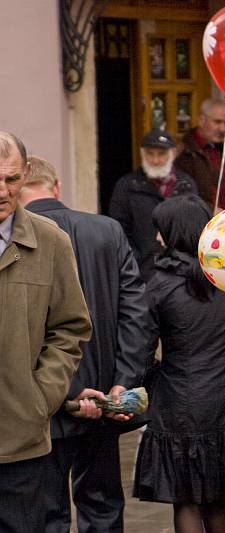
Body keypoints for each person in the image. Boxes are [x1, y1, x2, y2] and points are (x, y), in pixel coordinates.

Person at [20, 156, 149, 533]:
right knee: (103, 506)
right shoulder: (107, 231)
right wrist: (122, 383)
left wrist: (70, 395)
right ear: (56, 186)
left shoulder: (17, 237)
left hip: (42, 401)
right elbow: (135, 314)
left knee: (47, 513)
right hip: (107, 395)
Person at [133, 195, 225, 533]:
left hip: (177, 398)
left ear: (175, 232)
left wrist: (147, 382)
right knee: (215, 497)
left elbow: (142, 351)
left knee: (186, 498)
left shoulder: (159, 285)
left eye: (161, 230)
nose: (157, 238)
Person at [0, 132, 92, 532]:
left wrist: (42, 396)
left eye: (11, 179)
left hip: (21, 441)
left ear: (27, 174)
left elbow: (71, 328)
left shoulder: (51, 241)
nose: (2, 191)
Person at [109, 129, 197, 281]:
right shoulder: (127, 186)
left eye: (161, 154)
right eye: (150, 154)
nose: (155, 160)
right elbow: (119, 230)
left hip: (182, 273)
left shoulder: (186, 185)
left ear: (173, 154)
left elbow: (193, 228)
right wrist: (134, 263)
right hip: (141, 274)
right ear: (143, 154)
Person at [174, 98, 225, 211]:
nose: (222, 128)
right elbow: (184, 195)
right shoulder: (185, 151)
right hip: (206, 220)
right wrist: (210, 210)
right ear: (201, 120)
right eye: (217, 122)